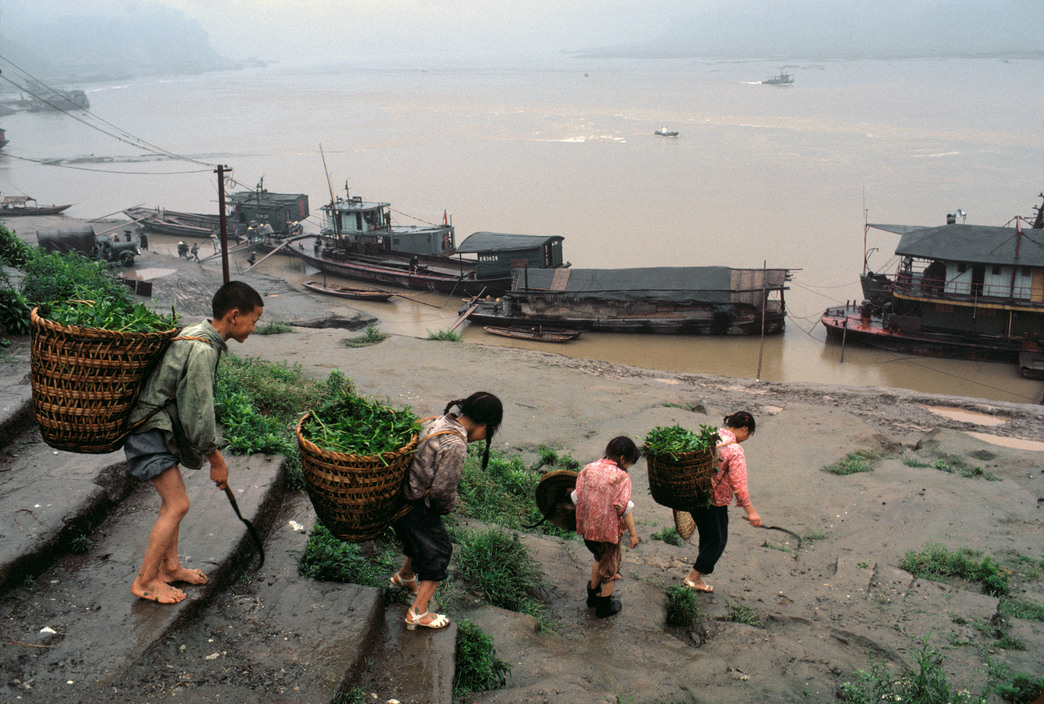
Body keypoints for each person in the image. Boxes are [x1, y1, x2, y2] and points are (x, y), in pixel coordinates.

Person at [123, 281, 264, 604]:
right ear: (233, 316)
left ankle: (169, 568)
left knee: (173, 501)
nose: (253, 328)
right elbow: (197, 412)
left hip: (155, 428)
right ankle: (145, 581)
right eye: (253, 321)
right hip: (149, 431)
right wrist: (216, 460)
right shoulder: (201, 349)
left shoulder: (196, 334)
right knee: (178, 504)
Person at [389, 392, 503, 630]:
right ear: (484, 425)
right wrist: (443, 510)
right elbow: (442, 491)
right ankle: (418, 613)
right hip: (416, 503)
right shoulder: (455, 444)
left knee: (420, 539)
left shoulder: (439, 422)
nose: (483, 438)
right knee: (439, 549)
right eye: (488, 432)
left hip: (401, 498)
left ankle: (405, 576)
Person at [683, 411, 761, 594]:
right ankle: (693, 578)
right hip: (714, 501)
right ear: (744, 429)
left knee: (708, 536)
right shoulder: (734, 450)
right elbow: (739, 483)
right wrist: (751, 511)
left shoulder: (710, 436)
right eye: (748, 434)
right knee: (717, 541)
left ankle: (697, 576)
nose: (746, 439)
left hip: (695, 496)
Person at [574, 436, 641, 618]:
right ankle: (604, 606)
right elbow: (624, 507)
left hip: (588, 532)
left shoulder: (588, 468)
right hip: (607, 534)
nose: (628, 466)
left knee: (598, 559)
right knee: (610, 569)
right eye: (628, 462)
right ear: (621, 457)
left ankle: (592, 596)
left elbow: (576, 497)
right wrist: (633, 535)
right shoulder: (622, 477)